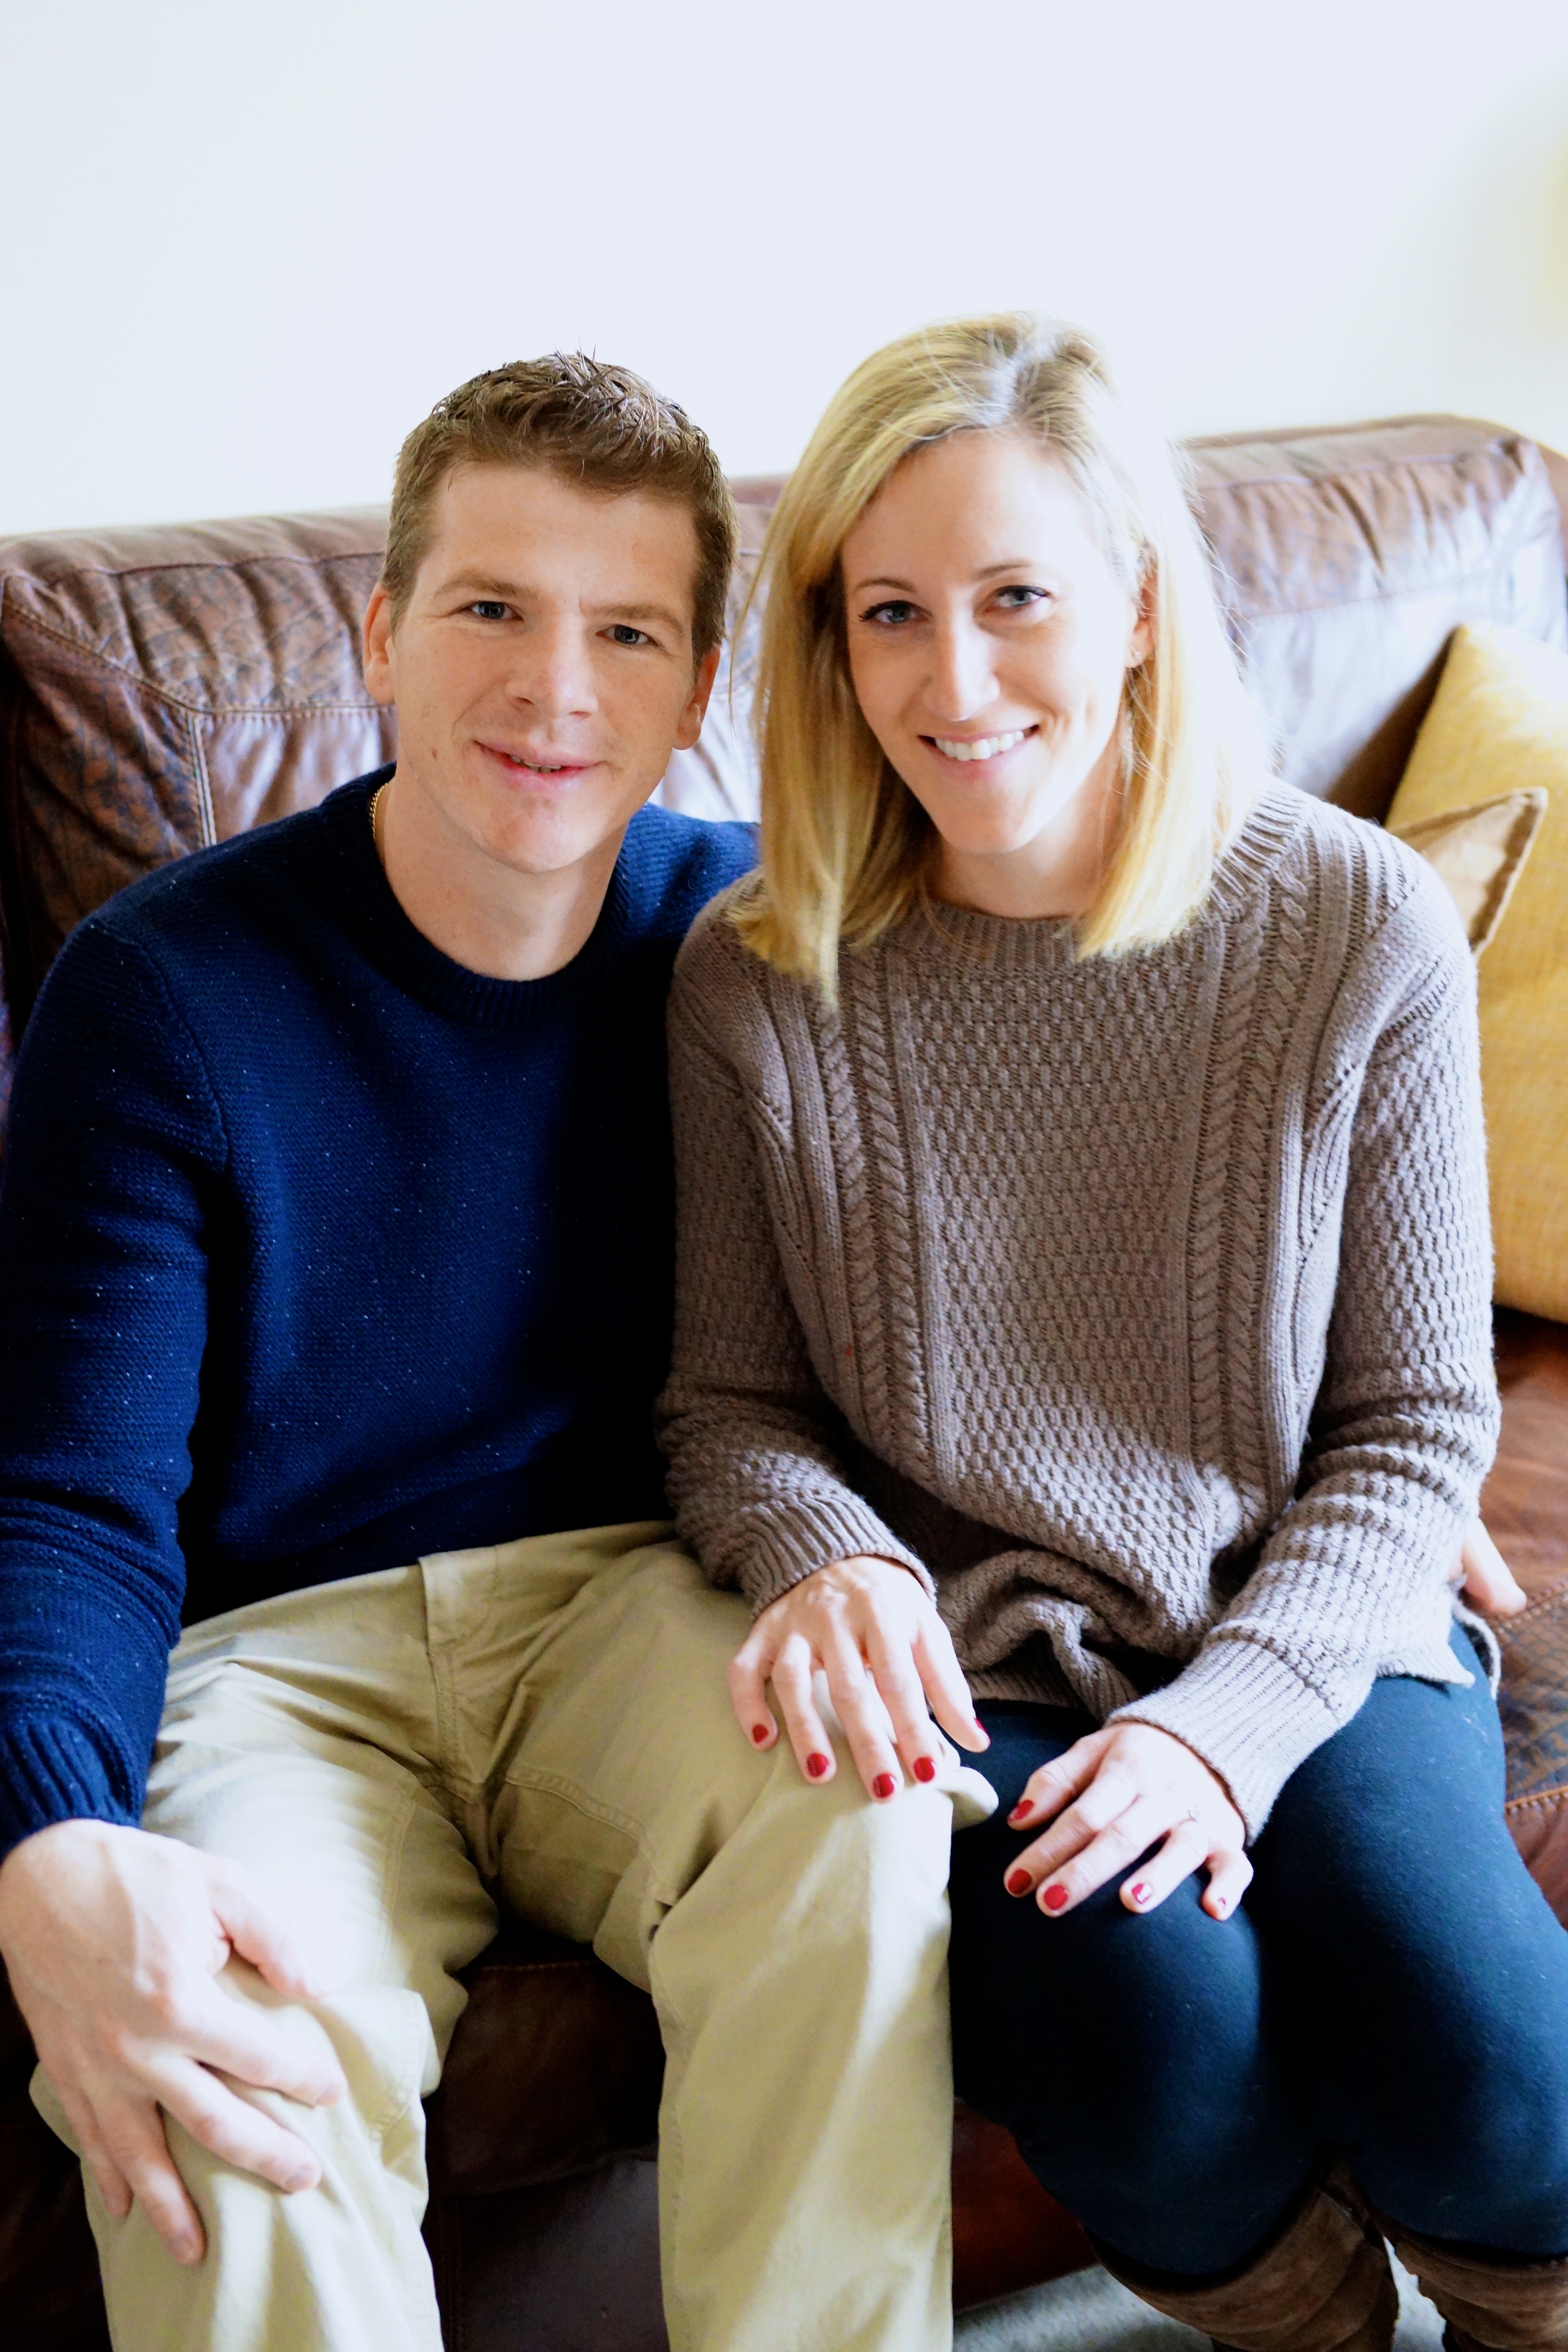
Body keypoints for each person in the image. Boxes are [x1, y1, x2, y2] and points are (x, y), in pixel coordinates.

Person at [0, 355, 993, 2352]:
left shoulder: (761, 947)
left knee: (867, 1805)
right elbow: (70, 1495)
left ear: (698, 687)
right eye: (491, 609)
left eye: (626, 631)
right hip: (275, 1661)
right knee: (223, 2039)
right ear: (382, 636)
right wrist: (53, 1831)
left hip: (643, 1605)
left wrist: (1325, 1454)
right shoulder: (165, 991)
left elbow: (1033, 1257)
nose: (555, 689)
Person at [657, 312, 1568, 2352]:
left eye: (1018, 600)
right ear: (831, 647)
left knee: (1489, 2059)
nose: (953, 684)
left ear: (1141, 608)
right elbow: (729, 1403)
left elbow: (1418, 1424)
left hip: (1313, 1608)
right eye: (891, 614)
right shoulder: (754, 977)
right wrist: (823, 1556)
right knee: (1140, 2033)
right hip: (980, 1658)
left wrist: (1215, 1734)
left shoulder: (1352, 920)